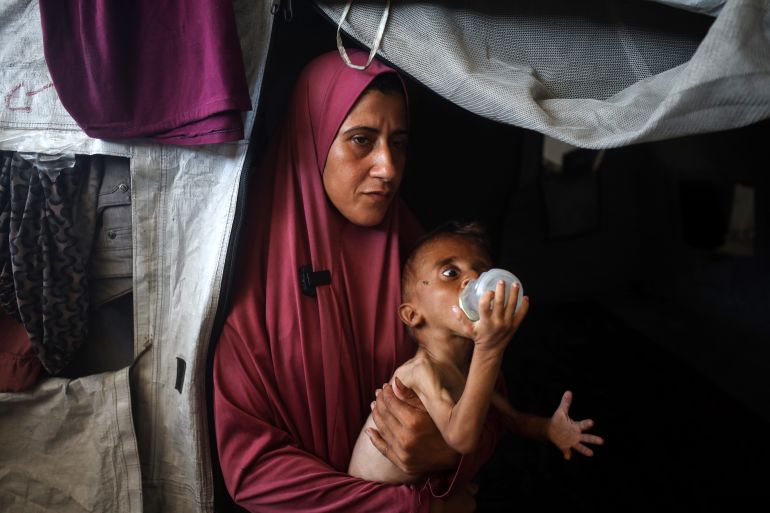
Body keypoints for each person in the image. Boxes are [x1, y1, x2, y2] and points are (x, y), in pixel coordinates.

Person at [213, 50, 505, 513]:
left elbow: (491, 400)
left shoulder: (428, 270)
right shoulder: (251, 297)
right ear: (312, 140)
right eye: (362, 140)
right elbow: (251, 471)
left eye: (400, 143)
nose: (388, 168)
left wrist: (451, 454)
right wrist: (410, 508)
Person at [348, 222, 604, 484]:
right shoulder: (418, 372)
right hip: (369, 501)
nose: (473, 278)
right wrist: (489, 349)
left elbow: (512, 419)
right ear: (412, 314)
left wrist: (549, 429)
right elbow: (461, 438)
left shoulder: (467, 369)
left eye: (482, 272)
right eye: (450, 272)